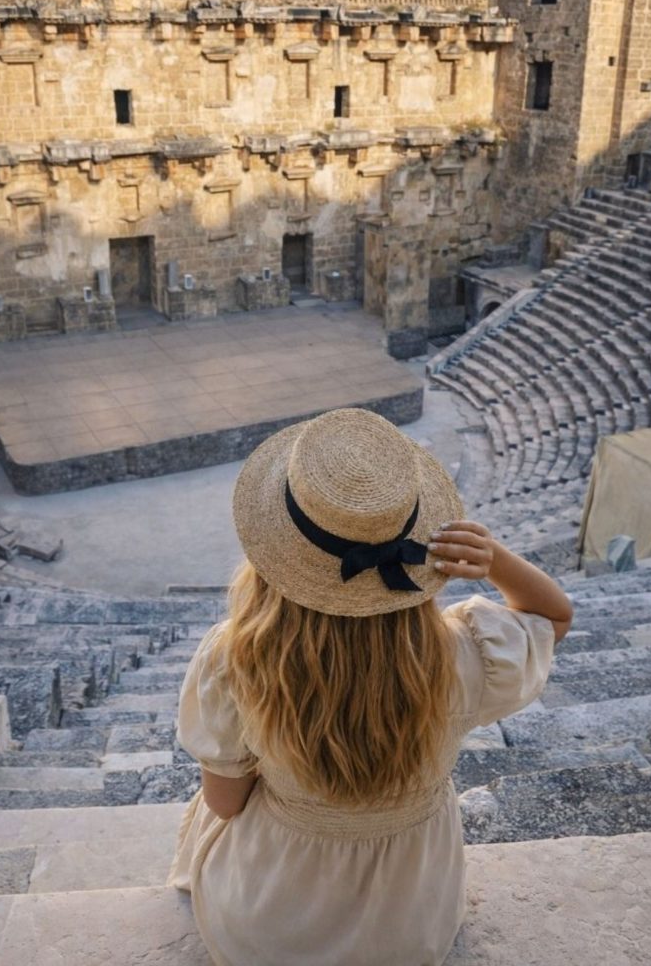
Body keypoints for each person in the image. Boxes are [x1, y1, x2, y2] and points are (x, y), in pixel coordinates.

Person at [168, 407, 573, 966]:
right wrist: (494, 557)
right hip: (410, 927)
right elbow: (552, 618)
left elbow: (226, 803)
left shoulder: (233, 659)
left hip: (267, 927)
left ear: (274, 559)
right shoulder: (463, 655)